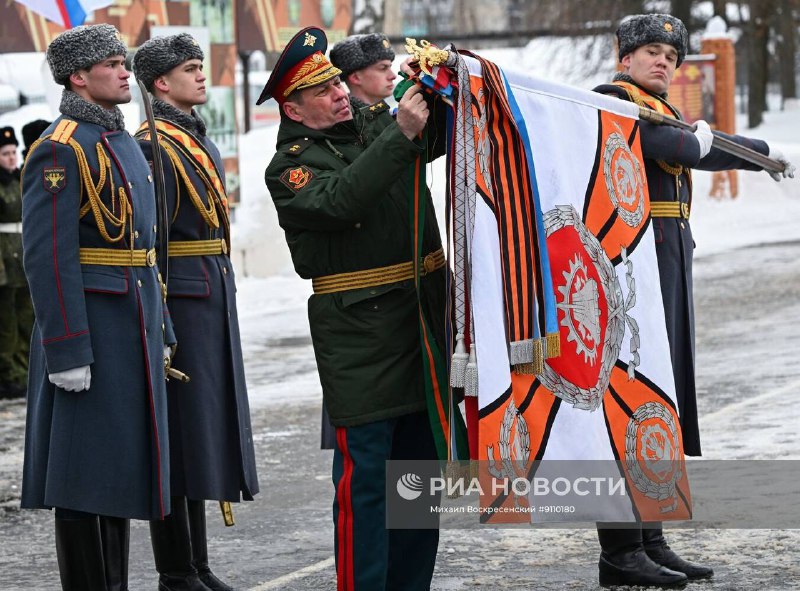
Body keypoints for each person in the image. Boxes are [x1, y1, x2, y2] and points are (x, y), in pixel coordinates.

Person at [592, 13, 796, 588]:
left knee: (662, 400)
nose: (663, 61)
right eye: (651, 51)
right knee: (627, 401)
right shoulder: (611, 101)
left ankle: (650, 538)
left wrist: (762, 152)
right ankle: (619, 551)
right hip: (629, 272)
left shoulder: (658, 107)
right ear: (624, 57)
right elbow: (678, 146)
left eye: (671, 55)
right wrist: (757, 151)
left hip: (665, 265)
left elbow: (689, 140)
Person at [261, 26, 448, 590]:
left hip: (419, 324)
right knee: (367, 485)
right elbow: (341, 199)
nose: (341, 93)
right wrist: (401, 134)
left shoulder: (369, 127)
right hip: (361, 337)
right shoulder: (290, 165)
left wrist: (441, 86)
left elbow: (436, 137)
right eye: (324, 91)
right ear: (294, 107)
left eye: (339, 83)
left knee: (420, 481)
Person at [20, 24, 175, 590]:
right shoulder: (61, 147)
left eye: (124, 62)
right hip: (90, 328)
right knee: (84, 480)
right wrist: (66, 348)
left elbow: (145, 249)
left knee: (116, 475)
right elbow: (47, 256)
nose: (125, 72)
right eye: (112, 63)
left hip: (130, 322)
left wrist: (161, 323)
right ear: (79, 76)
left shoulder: (121, 141)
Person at [132, 33, 259, 591]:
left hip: (206, 289)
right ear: (161, 83)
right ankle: (176, 571)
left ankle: (197, 565)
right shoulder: (154, 144)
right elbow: (151, 239)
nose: (202, 76)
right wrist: (157, 317)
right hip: (180, 295)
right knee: (177, 437)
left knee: (198, 433)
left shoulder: (186, 136)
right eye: (191, 68)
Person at [313, 32, 397, 450]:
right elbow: (347, 197)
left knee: (412, 465)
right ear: (356, 76)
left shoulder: (380, 120)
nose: (393, 75)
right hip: (361, 319)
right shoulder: (307, 154)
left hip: (407, 309)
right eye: (383, 69)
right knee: (366, 460)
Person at [0, 126, 32, 399]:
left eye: (13, 153)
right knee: (6, 325)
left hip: (21, 258)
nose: (11, 158)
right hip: (4, 262)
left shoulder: (19, 179)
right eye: (5, 154)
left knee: (26, 319)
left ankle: (23, 372)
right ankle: (9, 375)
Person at [330, 33, 396, 109]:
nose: (393, 76)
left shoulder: (383, 114)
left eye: (390, 67)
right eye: (383, 68)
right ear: (355, 78)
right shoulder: (347, 118)